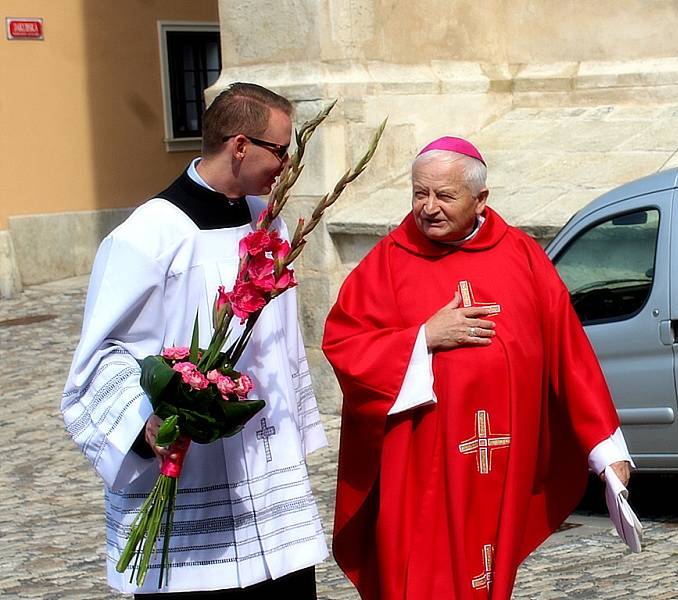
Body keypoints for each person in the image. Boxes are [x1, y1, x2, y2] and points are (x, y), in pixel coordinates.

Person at [322, 136, 634, 600]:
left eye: (444, 196)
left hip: (502, 461)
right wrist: (423, 338)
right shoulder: (386, 262)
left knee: (487, 576)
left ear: (480, 199)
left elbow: (568, 350)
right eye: (419, 193)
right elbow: (345, 344)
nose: (428, 207)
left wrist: (606, 448)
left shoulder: (523, 256)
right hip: (420, 466)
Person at [61, 83, 328, 597]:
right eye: (281, 149)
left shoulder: (266, 225)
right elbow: (100, 359)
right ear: (240, 145)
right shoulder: (148, 236)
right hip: (188, 478)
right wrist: (149, 424)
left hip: (266, 485)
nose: (288, 163)